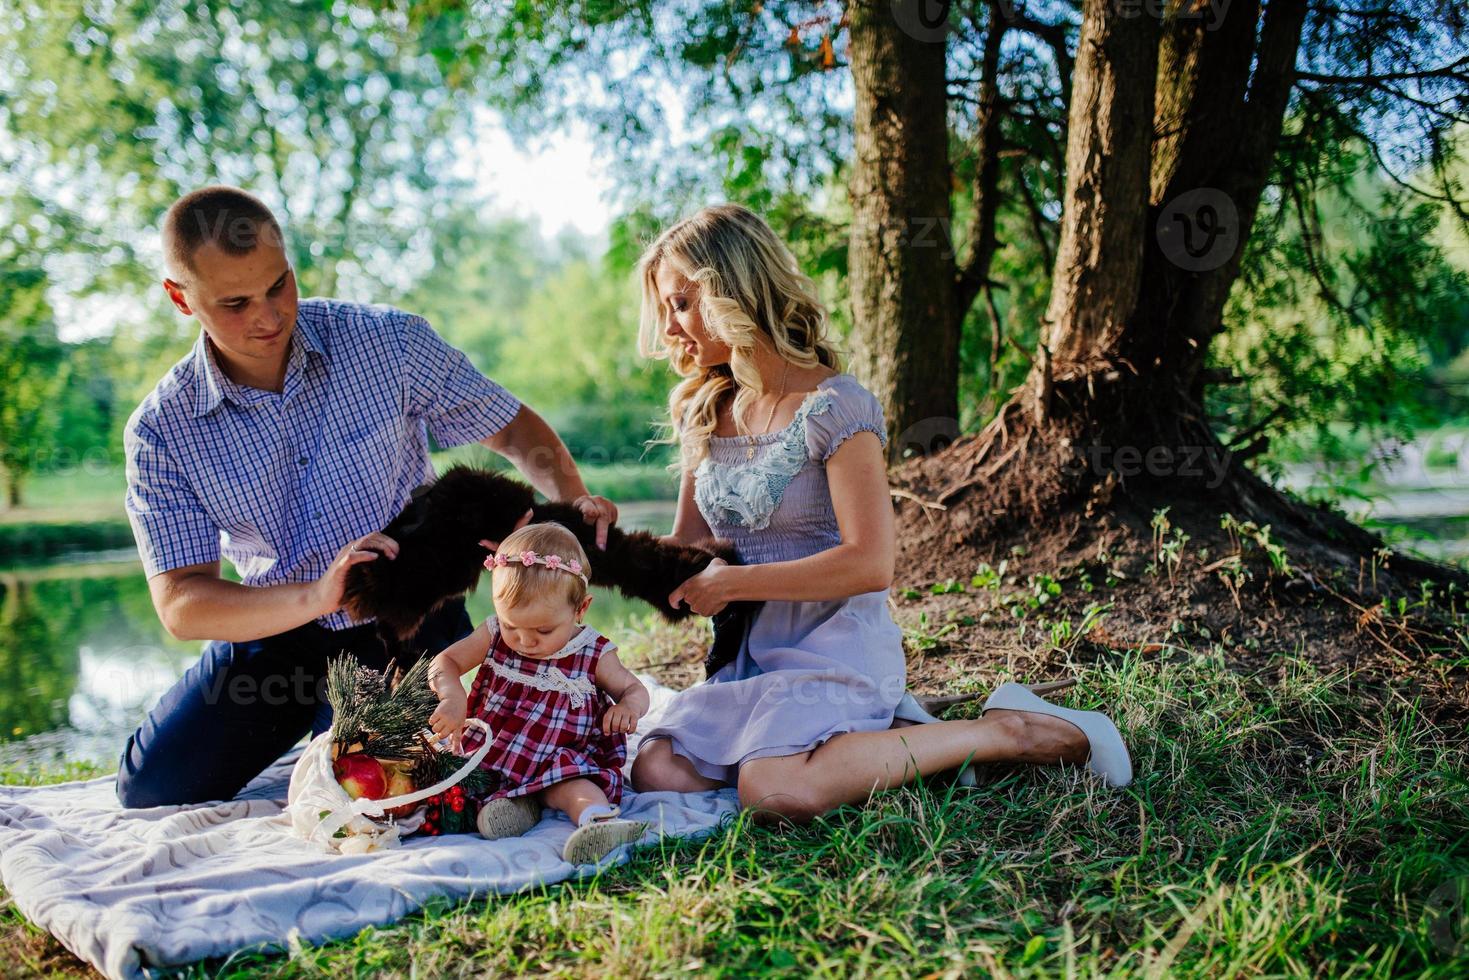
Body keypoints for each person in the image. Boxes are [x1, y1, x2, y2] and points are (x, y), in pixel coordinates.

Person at [628, 203, 1133, 824]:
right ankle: (895, 741)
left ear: (731, 289)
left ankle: (1010, 731)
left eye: (681, 303)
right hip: (751, 656)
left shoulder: (837, 406)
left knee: (772, 792)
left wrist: (733, 583)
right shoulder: (704, 411)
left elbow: (871, 563)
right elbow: (688, 546)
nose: (671, 328)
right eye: (666, 309)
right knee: (655, 766)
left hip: (835, 643)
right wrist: (587, 545)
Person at [117, 185, 617, 808]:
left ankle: (348, 735)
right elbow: (182, 603)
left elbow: (511, 428)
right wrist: (318, 595)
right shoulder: (162, 429)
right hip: (279, 630)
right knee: (154, 788)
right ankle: (319, 724)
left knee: (447, 783)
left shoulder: (388, 342)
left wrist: (573, 512)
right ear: (180, 298)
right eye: (236, 303)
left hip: (409, 623)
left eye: (278, 286)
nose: (269, 317)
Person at [427, 522, 651, 864]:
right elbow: (447, 661)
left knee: (572, 784)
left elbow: (633, 688)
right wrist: (451, 696)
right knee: (462, 784)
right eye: (511, 625)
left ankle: (598, 821)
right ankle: (518, 807)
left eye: (544, 630)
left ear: (580, 609)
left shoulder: (591, 651)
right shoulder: (493, 635)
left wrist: (628, 706)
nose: (525, 641)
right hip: (497, 751)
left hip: (558, 755)